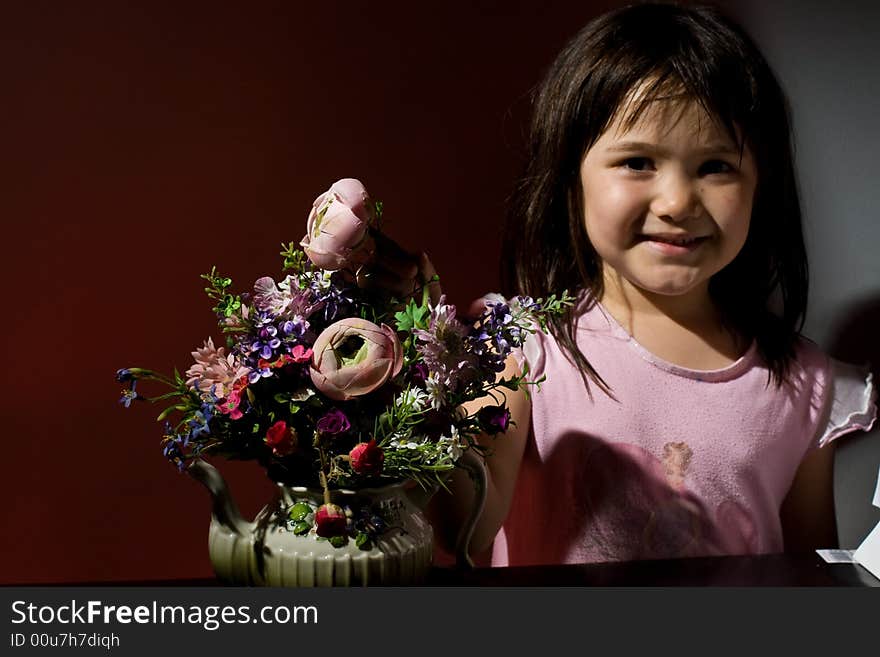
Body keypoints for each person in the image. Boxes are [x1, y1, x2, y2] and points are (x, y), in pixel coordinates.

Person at [376, 1, 877, 566]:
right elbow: (462, 531)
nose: (678, 202)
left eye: (716, 166)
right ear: (571, 180)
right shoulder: (522, 348)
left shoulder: (803, 383)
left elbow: (812, 578)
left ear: (763, 184)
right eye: (638, 161)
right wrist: (433, 366)